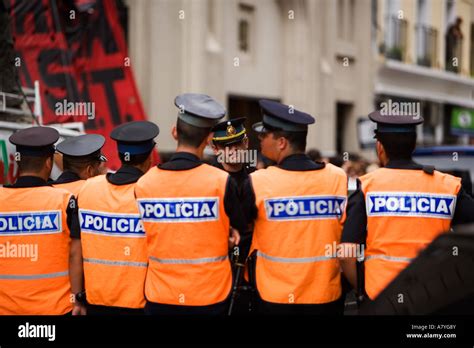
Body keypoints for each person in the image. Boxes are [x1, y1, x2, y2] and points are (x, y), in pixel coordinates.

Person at [339, 110, 474, 302]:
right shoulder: (448, 186)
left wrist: (361, 291)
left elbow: (346, 254)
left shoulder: (367, 186)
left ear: (380, 147)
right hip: (432, 296)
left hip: (380, 296)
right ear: (414, 145)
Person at [135, 93, 247, 315]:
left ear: (175, 132)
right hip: (210, 299)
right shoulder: (220, 182)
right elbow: (240, 233)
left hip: (160, 298)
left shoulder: (144, 183)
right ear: (208, 139)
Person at [242, 100, 348, 315]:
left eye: (265, 135)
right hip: (327, 298)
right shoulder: (337, 177)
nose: (260, 139)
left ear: (281, 142)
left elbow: (240, 232)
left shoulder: (258, 182)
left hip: (273, 299)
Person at [0, 126, 85, 315]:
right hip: (54, 308)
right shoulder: (65, 200)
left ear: (19, 163)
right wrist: (77, 299)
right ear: (48, 163)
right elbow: (75, 255)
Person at [77, 121, 159, 315]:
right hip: (140, 303)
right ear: (149, 158)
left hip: (95, 301)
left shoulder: (89, 188)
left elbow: (75, 246)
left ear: (121, 155)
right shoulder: (154, 193)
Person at [211, 117, 256, 314]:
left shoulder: (258, 179)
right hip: (214, 269)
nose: (233, 150)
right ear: (215, 149)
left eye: (237, 143)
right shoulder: (207, 179)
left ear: (246, 143)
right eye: (226, 146)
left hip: (251, 270)